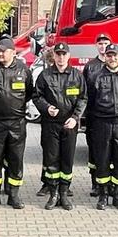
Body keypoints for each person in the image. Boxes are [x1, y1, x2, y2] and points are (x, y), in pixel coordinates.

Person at [83, 43, 118, 210]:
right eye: (109, 55)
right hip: (102, 123)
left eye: (115, 55)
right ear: (105, 57)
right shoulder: (96, 77)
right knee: (103, 159)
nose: (112, 58)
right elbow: (89, 101)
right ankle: (103, 195)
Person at [0, 35, 34, 209]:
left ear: (13, 52)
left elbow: (29, 92)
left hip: (17, 123)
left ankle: (14, 194)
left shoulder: (23, 70)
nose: (0, 53)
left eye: (4, 51)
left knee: (16, 160)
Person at [34, 42, 86, 210]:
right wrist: (46, 107)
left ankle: (64, 193)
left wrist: (75, 117)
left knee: (67, 160)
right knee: (52, 159)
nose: (61, 57)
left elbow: (83, 98)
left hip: (69, 124)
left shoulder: (77, 76)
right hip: (51, 124)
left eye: (64, 54)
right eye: (58, 54)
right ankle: (53, 193)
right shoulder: (45, 75)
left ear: (69, 56)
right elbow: (37, 96)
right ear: (54, 56)